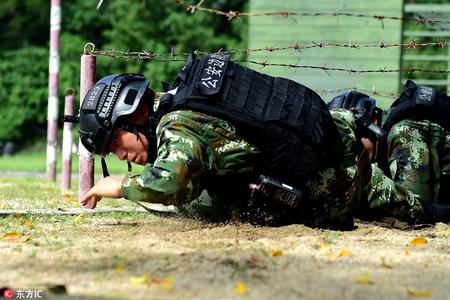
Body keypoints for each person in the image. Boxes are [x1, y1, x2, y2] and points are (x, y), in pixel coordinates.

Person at [71, 52, 371, 229]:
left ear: (136, 114)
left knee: (412, 208)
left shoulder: (177, 127)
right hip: (339, 134)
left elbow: (172, 183)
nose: (121, 155)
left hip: (333, 184)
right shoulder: (184, 97)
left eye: (115, 143)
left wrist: (121, 187)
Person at [328, 81, 450, 223]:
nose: (353, 152)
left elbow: (418, 208)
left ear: (372, 123)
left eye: (354, 141)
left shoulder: (404, 132)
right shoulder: (394, 134)